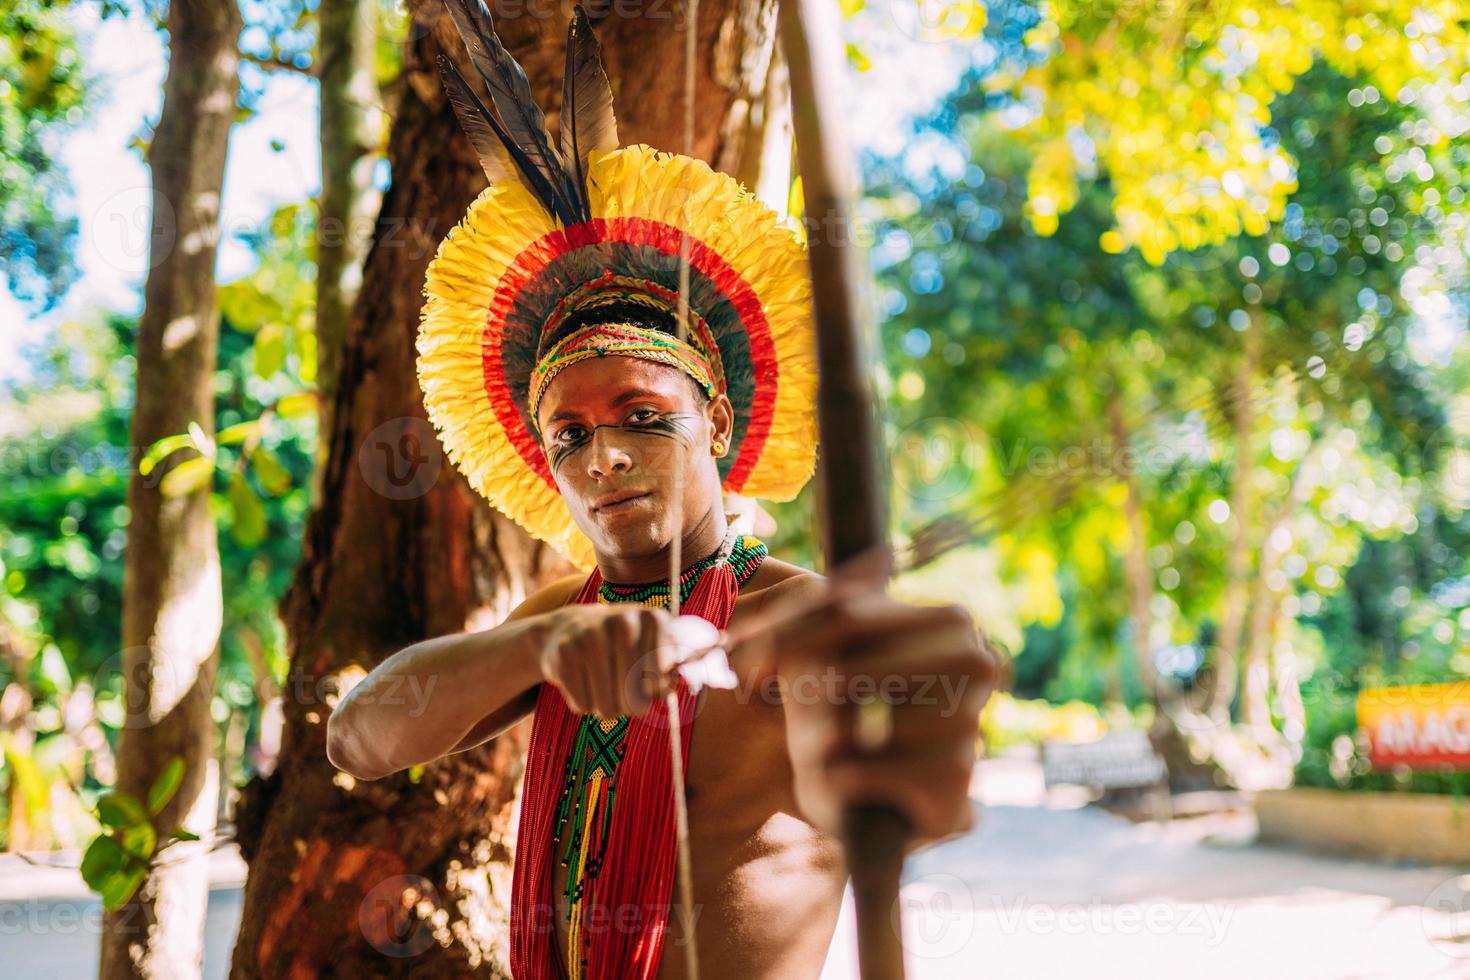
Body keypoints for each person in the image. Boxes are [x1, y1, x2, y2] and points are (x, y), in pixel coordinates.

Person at [327, 4, 998, 977]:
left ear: (716, 423)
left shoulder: (792, 616)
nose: (605, 456)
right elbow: (359, 736)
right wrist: (542, 643)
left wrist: (919, 701)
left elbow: (895, 747)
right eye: (572, 433)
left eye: (644, 414)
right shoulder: (558, 620)